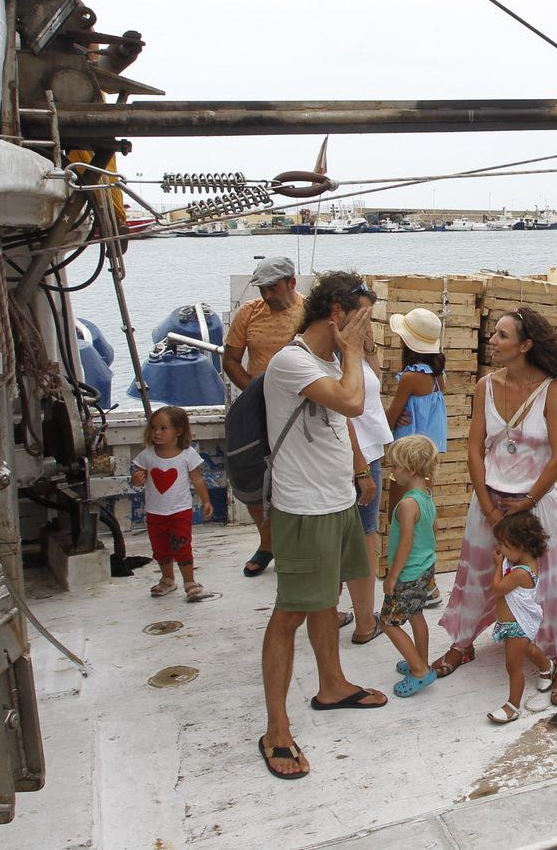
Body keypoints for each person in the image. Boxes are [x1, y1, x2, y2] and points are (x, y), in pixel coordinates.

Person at [430, 308, 557, 708]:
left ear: (525, 345)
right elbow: (473, 447)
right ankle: (462, 643)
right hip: (490, 500)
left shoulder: (551, 389)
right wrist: (489, 508)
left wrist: (525, 502)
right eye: (493, 334)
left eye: (502, 336)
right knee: (477, 573)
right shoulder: (484, 385)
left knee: (551, 582)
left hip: (538, 505)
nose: (493, 341)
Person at [257, 271, 386, 781]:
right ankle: (275, 728)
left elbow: (344, 420)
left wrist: (359, 471)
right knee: (291, 611)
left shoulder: (326, 361)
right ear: (336, 315)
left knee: (325, 601)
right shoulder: (291, 361)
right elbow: (353, 401)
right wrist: (353, 351)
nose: (366, 331)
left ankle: (331, 684)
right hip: (304, 509)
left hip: (337, 501)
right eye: (360, 319)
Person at [223, 256, 306, 578]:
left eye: (273, 288)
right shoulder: (248, 313)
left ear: (291, 283)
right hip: (258, 409)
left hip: (301, 411)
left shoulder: (309, 312)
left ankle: (296, 547)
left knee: (294, 480)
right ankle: (267, 542)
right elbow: (230, 359)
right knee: (248, 477)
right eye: (262, 289)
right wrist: (255, 391)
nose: (268, 295)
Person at [385, 305, 448, 609]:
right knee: (424, 514)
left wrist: (389, 418)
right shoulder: (438, 376)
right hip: (426, 455)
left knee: (399, 517)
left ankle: (412, 581)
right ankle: (430, 583)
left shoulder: (410, 377)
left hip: (406, 455)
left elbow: (391, 417)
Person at [343, 281, 390, 645]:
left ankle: (348, 613)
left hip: (370, 451)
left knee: (357, 533)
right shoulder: (335, 359)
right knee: (363, 533)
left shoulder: (354, 352)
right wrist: (362, 470)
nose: (367, 320)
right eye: (363, 314)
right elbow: (343, 416)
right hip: (358, 458)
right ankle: (364, 622)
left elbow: (377, 380)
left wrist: (368, 344)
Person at [380, 434, 440, 699]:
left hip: (407, 573)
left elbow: (404, 544)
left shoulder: (406, 504)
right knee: (416, 616)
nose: (392, 471)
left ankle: (418, 670)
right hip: (425, 569)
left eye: (394, 466)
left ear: (411, 469)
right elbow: (433, 530)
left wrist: (393, 577)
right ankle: (420, 661)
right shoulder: (426, 496)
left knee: (388, 623)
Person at [131, 405, 212, 601]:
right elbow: (136, 479)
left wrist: (206, 501)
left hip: (180, 511)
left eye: (163, 428)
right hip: (155, 512)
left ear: (179, 431)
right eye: (153, 428)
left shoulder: (187, 454)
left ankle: (190, 581)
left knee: (182, 545)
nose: (156, 433)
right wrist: (137, 479)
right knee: (160, 548)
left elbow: (197, 479)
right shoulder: (147, 455)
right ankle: (168, 579)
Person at [484, 511, 556, 725]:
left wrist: (498, 565)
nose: (500, 550)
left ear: (520, 545)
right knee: (528, 649)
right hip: (512, 624)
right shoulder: (525, 561)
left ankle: (512, 706)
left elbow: (497, 589)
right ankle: (546, 667)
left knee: (513, 666)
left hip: (518, 624)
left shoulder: (520, 573)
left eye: (504, 545)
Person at [386, 307, 448, 450]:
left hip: (408, 450)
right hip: (428, 450)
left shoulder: (410, 378)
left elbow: (390, 421)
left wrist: (391, 413)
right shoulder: (437, 372)